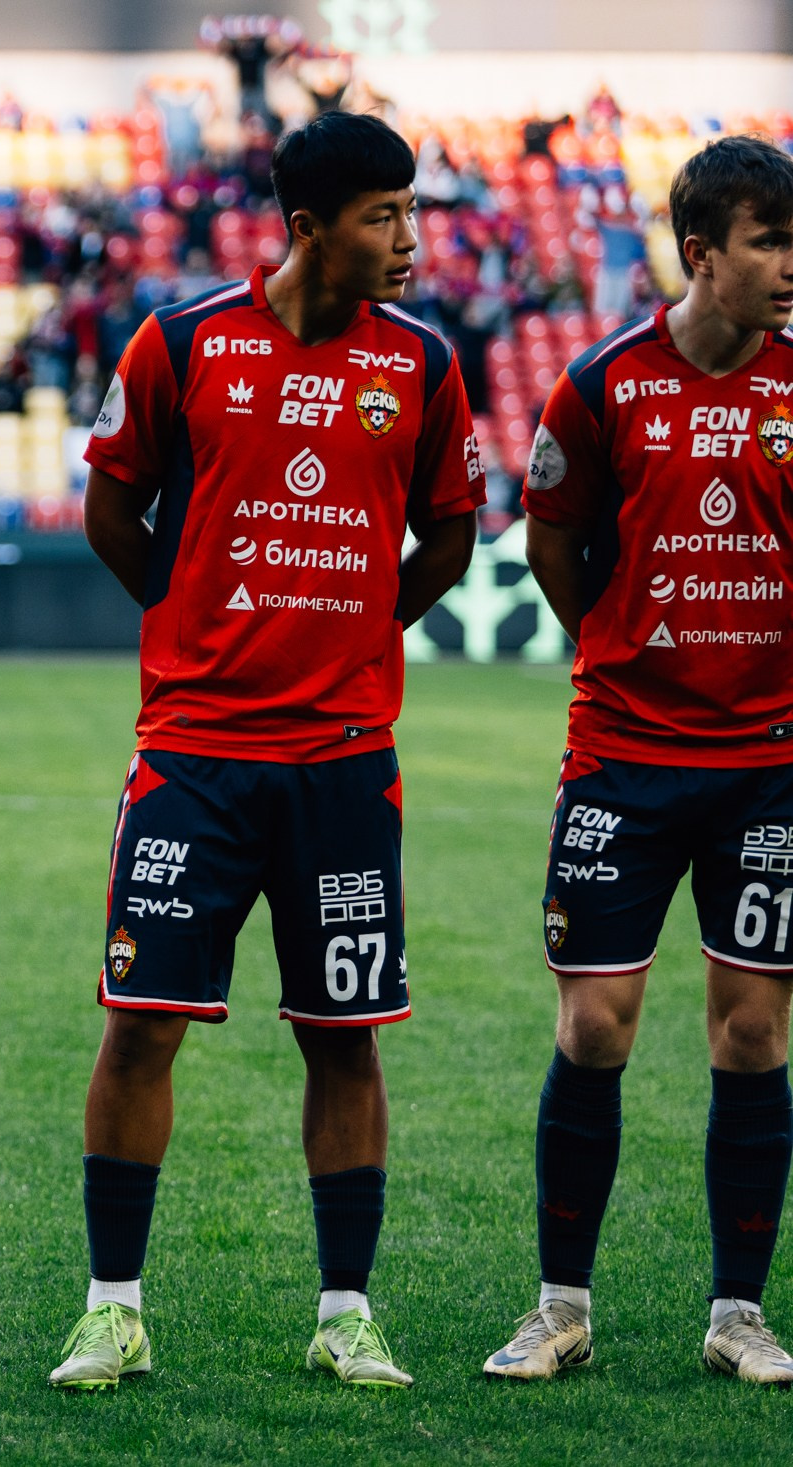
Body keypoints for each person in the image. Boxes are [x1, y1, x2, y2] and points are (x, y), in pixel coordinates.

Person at [49, 111, 482, 1391]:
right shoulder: (182, 342)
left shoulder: (421, 362)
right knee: (141, 1026)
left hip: (343, 761)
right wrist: (186, 617)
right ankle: (111, 1311)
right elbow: (110, 506)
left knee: (346, 1034)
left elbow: (450, 533)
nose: (409, 239)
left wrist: (360, 632)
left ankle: (345, 1312)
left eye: (412, 211)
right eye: (382, 216)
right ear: (307, 228)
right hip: (193, 754)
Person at [484, 135, 793, 1386]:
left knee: (752, 1033)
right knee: (595, 1026)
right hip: (622, 755)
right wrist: (617, 648)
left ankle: (738, 1317)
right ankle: (560, 1307)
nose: (790, 264)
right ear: (701, 252)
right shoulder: (601, 383)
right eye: (770, 241)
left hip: (769, 764)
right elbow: (552, 540)